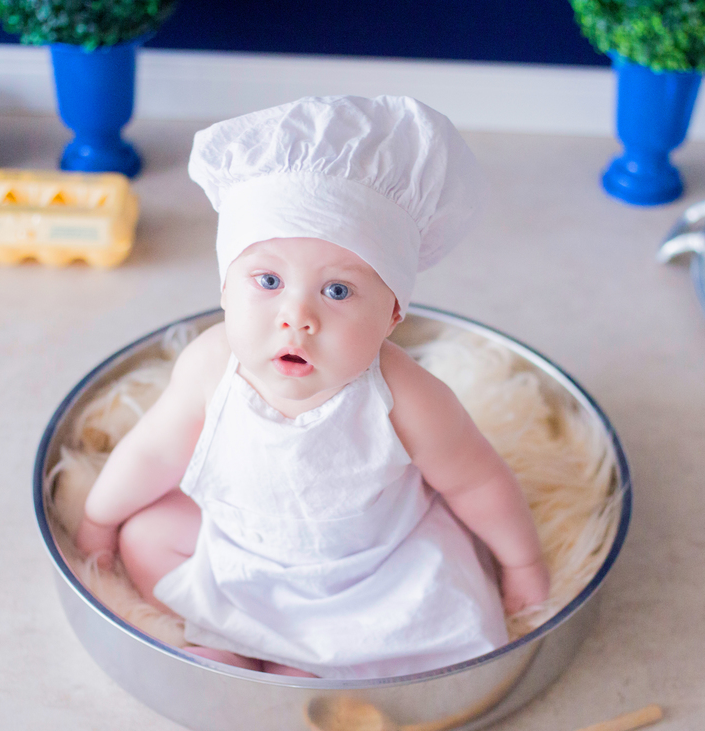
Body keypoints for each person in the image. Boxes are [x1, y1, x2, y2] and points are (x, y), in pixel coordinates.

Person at [75, 96, 549, 679]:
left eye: (339, 292)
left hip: (371, 570)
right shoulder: (211, 365)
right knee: (145, 535)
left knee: (440, 597)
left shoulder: (407, 397)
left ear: (393, 314)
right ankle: (223, 641)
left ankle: (307, 667)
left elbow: (478, 480)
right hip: (242, 550)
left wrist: (522, 565)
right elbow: (152, 453)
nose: (297, 317)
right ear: (226, 290)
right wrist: (99, 521)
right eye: (268, 281)